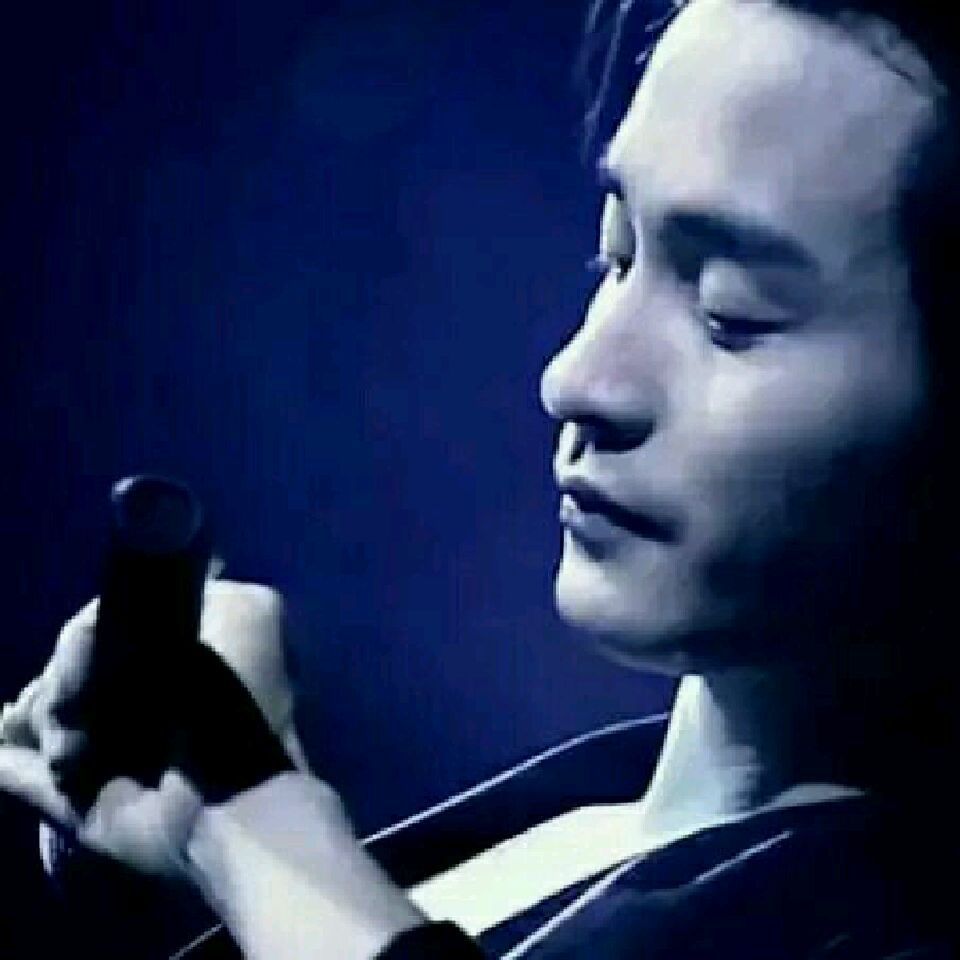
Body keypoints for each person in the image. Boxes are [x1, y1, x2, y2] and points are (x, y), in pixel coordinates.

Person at [0, 0, 957, 955]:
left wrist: (250, 827)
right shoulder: (571, 823)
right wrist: (193, 888)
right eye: (615, 252)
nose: (577, 378)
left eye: (728, 313)